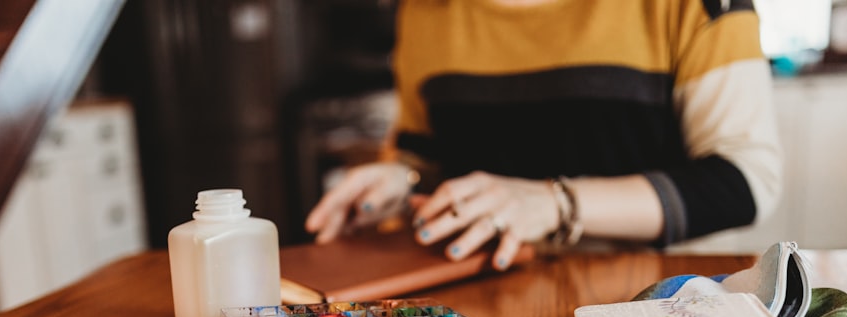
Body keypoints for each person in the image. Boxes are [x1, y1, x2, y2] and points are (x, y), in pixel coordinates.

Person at [304, 0, 782, 270]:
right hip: (473, 301)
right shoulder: (426, 10)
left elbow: (743, 180)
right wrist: (401, 182)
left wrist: (557, 204)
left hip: (657, 306)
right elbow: (425, 156)